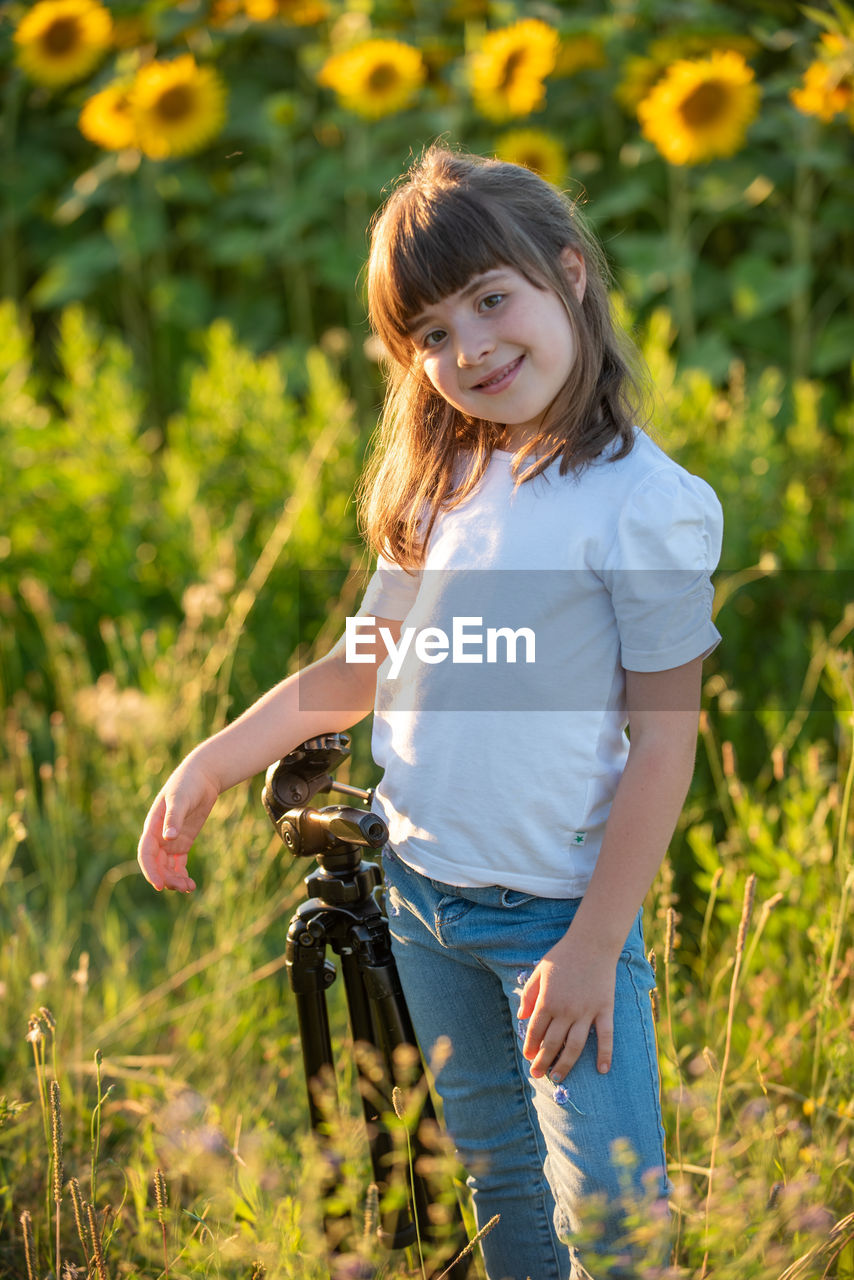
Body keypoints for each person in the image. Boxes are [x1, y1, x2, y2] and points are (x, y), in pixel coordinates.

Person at [138, 145, 723, 1280]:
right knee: (495, 1171)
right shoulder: (443, 478)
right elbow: (359, 664)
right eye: (432, 335)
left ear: (568, 274)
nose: (470, 349)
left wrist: (596, 940)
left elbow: (664, 735)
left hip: (557, 912)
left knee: (608, 1213)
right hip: (424, 895)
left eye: (492, 301)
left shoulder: (642, 503)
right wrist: (210, 761)